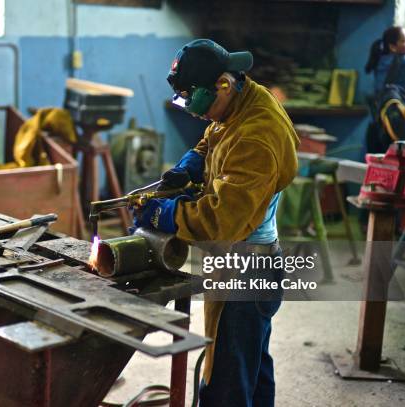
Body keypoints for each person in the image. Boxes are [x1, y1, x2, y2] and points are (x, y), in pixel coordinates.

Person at [132, 39, 299, 407]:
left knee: (225, 383)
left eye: (198, 103)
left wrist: (168, 214)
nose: (196, 115)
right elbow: (215, 134)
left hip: (247, 267)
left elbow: (222, 221)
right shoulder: (243, 101)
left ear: (223, 84)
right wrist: (192, 161)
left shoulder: (258, 136)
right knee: (251, 367)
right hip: (246, 262)